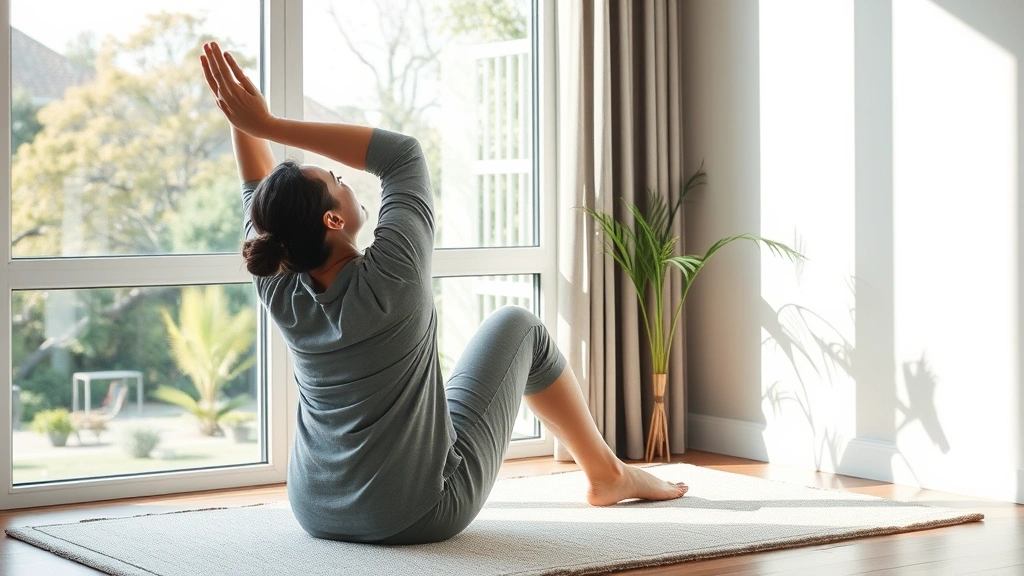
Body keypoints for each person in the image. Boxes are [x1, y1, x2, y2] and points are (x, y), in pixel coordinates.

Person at [200, 41, 687, 545]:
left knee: (442, 394)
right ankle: (607, 474)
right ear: (334, 218)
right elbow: (400, 155)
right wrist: (269, 125)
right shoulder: (394, 272)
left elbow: (258, 194)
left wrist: (242, 117)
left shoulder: (277, 280)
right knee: (519, 327)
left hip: (315, 509)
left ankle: (608, 474)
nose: (348, 182)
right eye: (339, 181)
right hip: (419, 513)